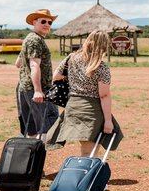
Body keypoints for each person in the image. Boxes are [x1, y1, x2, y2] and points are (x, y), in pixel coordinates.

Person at [46, 30, 122, 156]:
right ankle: (86, 174)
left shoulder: (71, 58)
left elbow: (56, 76)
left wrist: (72, 80)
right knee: (90, 151)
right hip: (92, 110)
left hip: (73, 106)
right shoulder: (101, 67)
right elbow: (104, 95)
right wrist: (108, 121)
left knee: (86, 147)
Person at [15, 8, 59, 138]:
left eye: (50, 22)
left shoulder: (29, 38)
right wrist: (38, 90)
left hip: (24, 87)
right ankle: (40, 155)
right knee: (46, 128)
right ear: (34, 22)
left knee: (32, 129)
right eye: (43, 21)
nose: (47, 24)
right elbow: (34, 65)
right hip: (36, 89)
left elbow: (18, 63)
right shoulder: (36, 40)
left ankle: (33, 157)